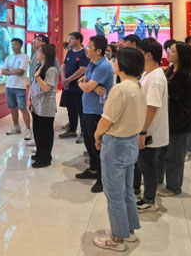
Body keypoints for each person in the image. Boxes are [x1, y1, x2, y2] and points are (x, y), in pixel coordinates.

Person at [92, 47, 147, 251]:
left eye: (116, 59)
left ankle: (117, 238)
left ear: (123, 64)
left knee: (114, 194)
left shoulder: (120, 89)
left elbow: (107, 120)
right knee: (126, 191)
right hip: (131, 142)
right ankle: (128, 230)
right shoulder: (138, 85)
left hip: (116, 144)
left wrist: (97, 135)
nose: (114, 62)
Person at [156, 41, 191, 197]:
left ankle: (173, 187)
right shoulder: (170, 70)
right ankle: (158, 179)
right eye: (169, 49)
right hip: (167, 119)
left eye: (172, 51)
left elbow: (171, 94)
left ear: (182, 55)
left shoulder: (184, 75)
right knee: (160, 152)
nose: (168, 52)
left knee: (174, 156)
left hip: (179, 121)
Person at [76, 35, 115, 193]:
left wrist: (85, 84)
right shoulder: (92, 63)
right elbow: (84, 81)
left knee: (98, 145)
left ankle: (102, 178)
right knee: (89, 142)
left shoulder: (103, 66)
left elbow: (86, 86)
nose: (86, 49)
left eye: (88, 47)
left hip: (97, 111)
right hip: (88, 109)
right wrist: (85, 83)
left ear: (99, 51)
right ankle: (93, 169)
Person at [135, 38, 169, 212]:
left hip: (150, 131)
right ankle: (142, 193)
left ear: (148, 55)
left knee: (148, 166)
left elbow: (152, 106)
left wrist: (143, 131)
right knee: (143, 164)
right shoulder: (148, 73)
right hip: (145, 128)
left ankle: (149, 200)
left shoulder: (155, 78)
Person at [29, 44, 59, 168]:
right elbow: (33, 84)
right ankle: (40, 154)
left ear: (45, 54)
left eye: (40, 51)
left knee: (44, 133)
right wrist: (30, 98)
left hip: (45, 106)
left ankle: (45, 159)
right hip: (37, 104)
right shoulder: (39, 66)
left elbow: (47, 88)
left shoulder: (51, 69)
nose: (37, 53)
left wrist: (37, 77)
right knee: (37, 131)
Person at [59, 32, 89, 141]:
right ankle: (72, 130)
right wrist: (63, 79)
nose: (69, 41)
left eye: (71, 38)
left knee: (81, 110)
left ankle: (84, 132)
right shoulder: (70, 52)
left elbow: (82, 70)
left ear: (78, 40)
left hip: (78, 86)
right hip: (68, 86)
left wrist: (68, 80)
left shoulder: (84, 53)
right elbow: (64, 66)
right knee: (70, 109)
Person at [3, 38, 31, 140]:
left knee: (23, 108)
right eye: (12, 44)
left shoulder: (24, 57)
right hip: (9, 87)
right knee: (13, 108)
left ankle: (28, 130)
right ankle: (16, 127)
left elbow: (20, 72)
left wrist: (10, 70)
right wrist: (14, 70)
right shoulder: (8, 57)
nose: (13, 46)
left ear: (20, 45)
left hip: (20, 87)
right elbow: (3, 71)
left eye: (15, 44)